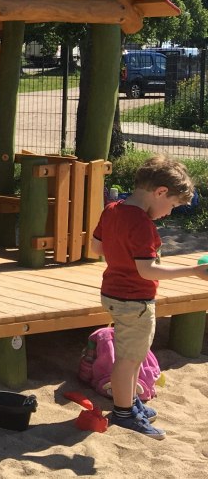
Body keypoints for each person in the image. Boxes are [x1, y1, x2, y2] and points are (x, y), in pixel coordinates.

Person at [90, 155, 208, 439]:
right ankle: (123, 412)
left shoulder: (112, 209)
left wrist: (123, 252)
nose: (168, 213)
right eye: (172, 205)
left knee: (130, 355)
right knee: (129, 359)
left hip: (112, 293)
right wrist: (194, 271)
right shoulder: (143, 225)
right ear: (160, 192)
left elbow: (96, 248)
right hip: (135, 300)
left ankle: (129, 403)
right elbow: (147, 271)